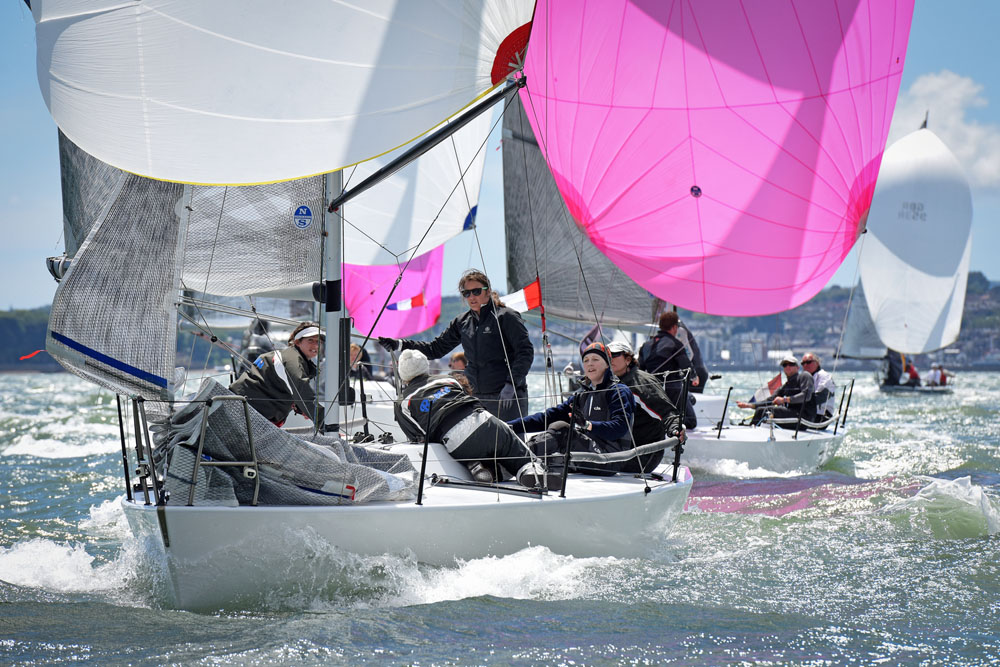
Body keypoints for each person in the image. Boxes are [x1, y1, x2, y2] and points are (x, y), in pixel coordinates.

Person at [378, 270, 533, 421]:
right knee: (482, 446)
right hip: (476, 396)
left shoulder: (506, 317)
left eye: (477, 291)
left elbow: (525, 352)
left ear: (488, 291)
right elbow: (435, 349)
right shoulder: (462, 322)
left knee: (511, 443)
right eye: (467, 293)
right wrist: (400, 344)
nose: (472, 297)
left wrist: (511, 384)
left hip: (506, 396)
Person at [392, 349, 538, 485]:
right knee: (513, 451)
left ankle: (483, 467)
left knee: (473, 450)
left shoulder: (403, 404)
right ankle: (533, 472)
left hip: (456, 440)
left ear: (403, 375)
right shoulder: (448, 380)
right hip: (484, 420)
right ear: (425, 366)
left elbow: (419, 437)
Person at [507, 342, 635, 475]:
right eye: (586, 360)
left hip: (609, 460)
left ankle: (511, 460)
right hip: (587, 456)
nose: (589, 364)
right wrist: (509, 427)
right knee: (550, 454)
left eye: (595, 359)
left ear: (608, 364)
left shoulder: (618, 391)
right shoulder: (582, 395)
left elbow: (619, 427)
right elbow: (549, 417)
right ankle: (500, 467)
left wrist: (587, 425)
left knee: (561, 429)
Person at [607, 341, 684, 473]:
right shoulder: (604, 381)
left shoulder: (642, 382)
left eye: (614, 355)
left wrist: (676, 430)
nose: (609, 359)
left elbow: (666, 412)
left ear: (628, 359)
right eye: (606, 356)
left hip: (642, 456)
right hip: (614, 450)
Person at [230, 321, 325, 427]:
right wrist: (327, 426)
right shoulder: (291, 360)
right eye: (310, 340)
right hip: (244, 415)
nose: (316, 345)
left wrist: (300, 409)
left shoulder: (292, 357)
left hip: (246, 413)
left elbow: (285, 388)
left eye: (319, 341)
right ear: (297, 342)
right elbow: (303, 394)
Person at [638, 311, 699, 406]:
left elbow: (639, 370)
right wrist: (694, 378)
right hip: (672, 390)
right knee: (690, 420)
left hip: (651, 390)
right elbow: (686, 366)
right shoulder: (675, 344)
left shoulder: (646, 345)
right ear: (674, 327)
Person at [736, 355, 815, 428]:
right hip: (793, 416)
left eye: (791, 364)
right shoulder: (786, 386)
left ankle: (756, 432)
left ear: (797, 367)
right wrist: (749, 405)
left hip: (804, 418)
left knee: (769, 410)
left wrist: (784, 399)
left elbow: (806, 396)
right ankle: (752, 430)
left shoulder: (804, 376)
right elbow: (771, 400)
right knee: (760, 410)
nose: (788, 367)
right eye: (785, 365)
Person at [674, 319, 709, 393]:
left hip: (695, 372)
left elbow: (689, 354)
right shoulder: (675, 327)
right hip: (693, 371)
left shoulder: (679, 330)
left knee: (689, 402)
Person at [801, 352, 836, 421]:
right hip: (808, 413)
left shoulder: (824, 376)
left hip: (821, 416)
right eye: (803, 363)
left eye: (808, 362)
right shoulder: (804, 377)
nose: (805, 365)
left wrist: (795, 401)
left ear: (817, 363)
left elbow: (820, 397)